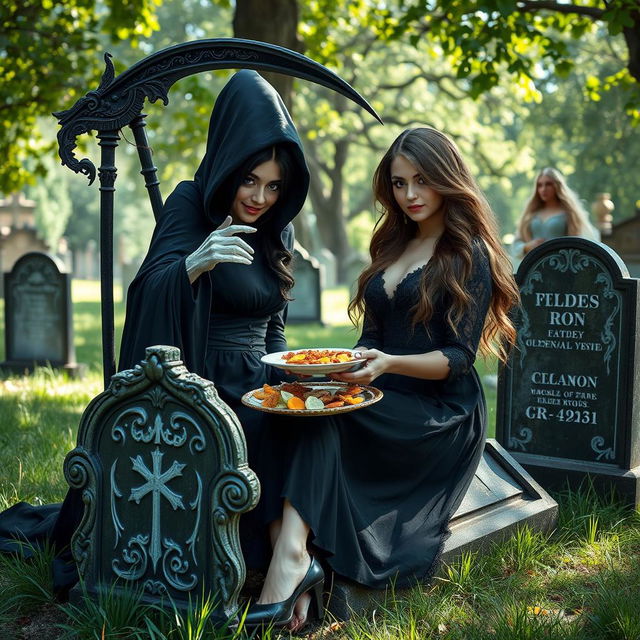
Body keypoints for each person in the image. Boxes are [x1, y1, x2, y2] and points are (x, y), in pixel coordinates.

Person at [0, 69, 310, 590]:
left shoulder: (276, 224)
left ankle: (290, 558)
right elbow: (146, 293)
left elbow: (272, 325)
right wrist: (194, 264)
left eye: (274, 185)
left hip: (259, 383)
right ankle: (273, 559)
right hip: (201, 381)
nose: (259, 197)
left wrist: (285, 382)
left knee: (316, 427)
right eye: (250, 180)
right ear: (229, 163)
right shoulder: (191, 203)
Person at [245, 127, 520, 632]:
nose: (410, 195)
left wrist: (388, 363)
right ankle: (295, 560)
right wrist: (325, 373)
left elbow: (459, 358)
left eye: (422, 181)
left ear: (446, 179)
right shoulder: (392, 243)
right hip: (377, 389)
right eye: (398, 184)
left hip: (439, 410)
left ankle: (288, 564)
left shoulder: (469, 252)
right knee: (291, 410)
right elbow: (370, 338)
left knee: (325, 425)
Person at [511, 167, 600, 261]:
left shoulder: (570, 214)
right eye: (540, 185)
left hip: (560, 266)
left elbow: (582, 241)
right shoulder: (530, 214)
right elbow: (516, 244)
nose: (543, 189)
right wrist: (527, 247)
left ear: (557, 186)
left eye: (548, 184)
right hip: (534, 265)